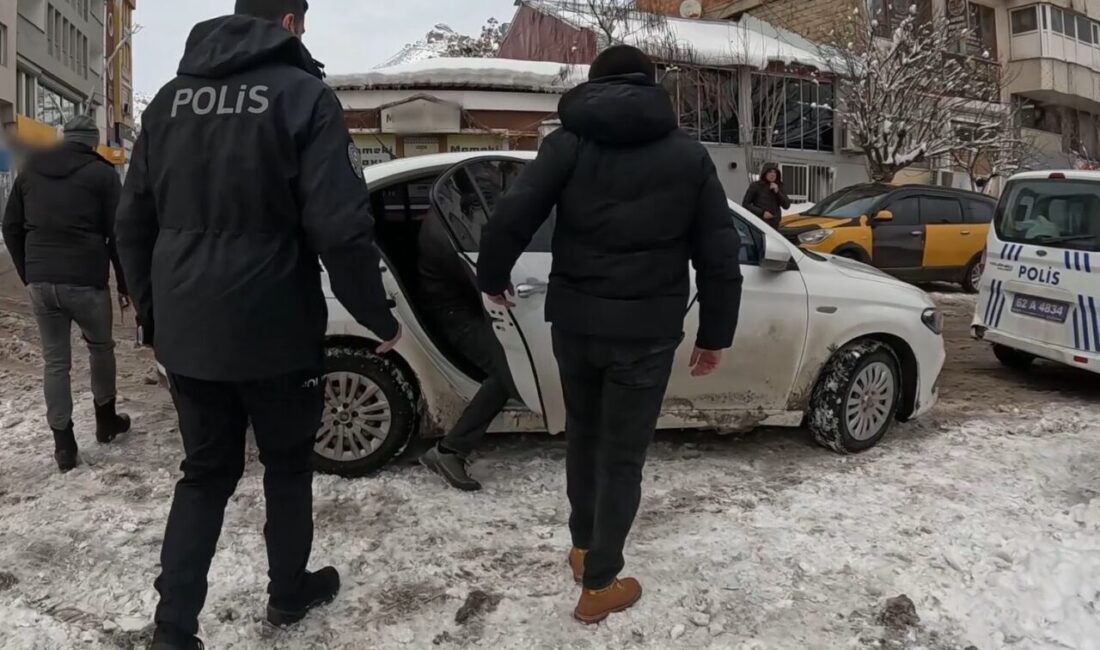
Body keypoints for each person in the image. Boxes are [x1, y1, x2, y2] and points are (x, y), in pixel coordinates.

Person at [115, 2, 401, 648]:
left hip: (190, 337)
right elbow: (341, 226)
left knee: (206, 474)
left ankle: (173, 628)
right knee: (288, 466)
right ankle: (288, 593)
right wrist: (376, 314)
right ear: (290, 23)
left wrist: (155, 321)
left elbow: (131, 225)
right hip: (278, 334)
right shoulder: (306, 98)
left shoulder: (167, 103)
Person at [476, 45, 743, 624]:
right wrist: (715, 333)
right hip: (646, 334)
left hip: (576, 322)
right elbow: (719, 254)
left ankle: (582, 547)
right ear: (651, 87)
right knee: (622, 457)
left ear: (595, 87)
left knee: (584, 437)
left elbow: (511, 215)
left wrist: (492, 277)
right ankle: (600, 582)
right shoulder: (688, 157)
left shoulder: (567, 145)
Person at [1, 115, 132, 473]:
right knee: (101, 348)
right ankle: (106, 421)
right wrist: (124, 284)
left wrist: (30, 273)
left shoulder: (31, 171)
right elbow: (119, 235)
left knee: (55, 363)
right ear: (92, 142)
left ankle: (63, 444)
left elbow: (10, 225)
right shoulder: (104, 175)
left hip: (42, 284)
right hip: (86, 281)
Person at [416, 212, 518, 492]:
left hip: (463, 308)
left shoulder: (452, 217)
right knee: (509, 372)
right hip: (454, 316)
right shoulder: (442, 229)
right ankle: (449, 450)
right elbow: (483, 280)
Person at [742, 163, 791, 230]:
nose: (772, 174)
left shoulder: (779, 186)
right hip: (759, 224)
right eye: (770, 172)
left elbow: (786, 205)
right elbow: (745, 204)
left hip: (775, 225)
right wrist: (762, 213)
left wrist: (777, 192)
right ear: (765, 173)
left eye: (775, 172)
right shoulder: (756, 186)